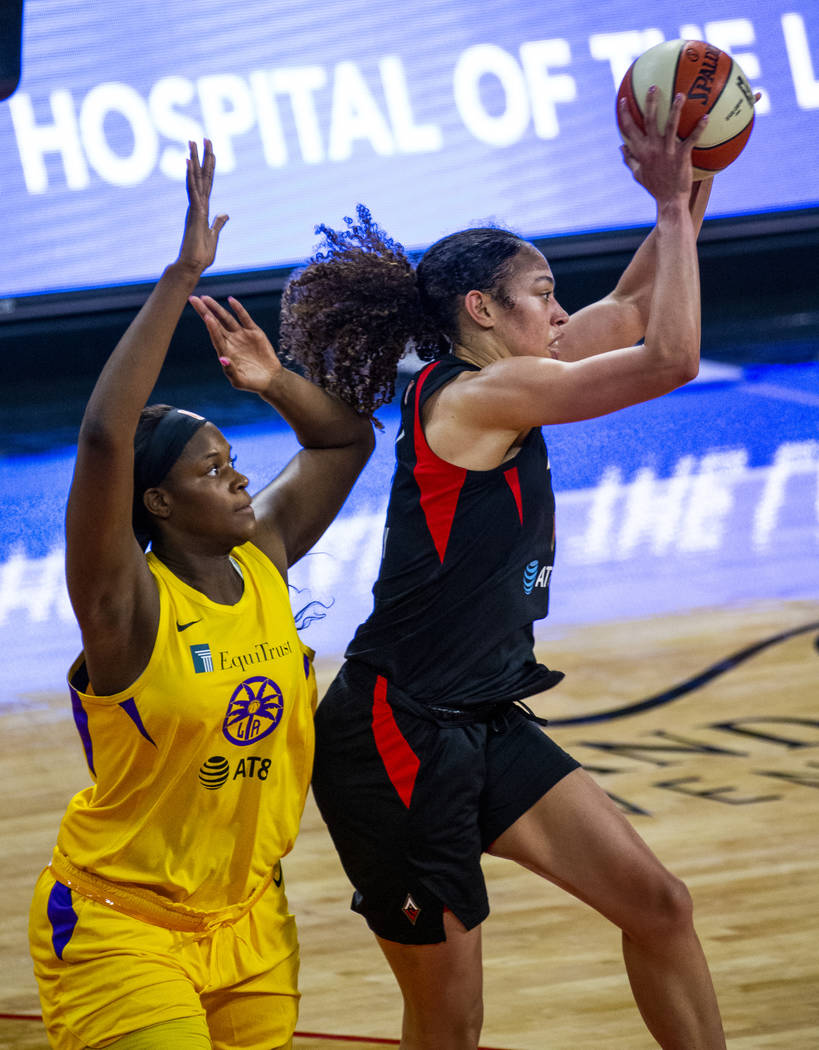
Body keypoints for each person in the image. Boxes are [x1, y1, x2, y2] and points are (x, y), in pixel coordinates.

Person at [281, 89, 729, 1048]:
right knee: (450, 1022)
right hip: (395, 733)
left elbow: (637, 304)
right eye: (543, 297)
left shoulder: (514, 374)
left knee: (657, 903)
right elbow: (673, 356)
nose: (564, 313)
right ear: (481, 310)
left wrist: (690, 177)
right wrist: (661, 209)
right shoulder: (482, 395)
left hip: (475, 713)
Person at [28, 139, 374, 1050]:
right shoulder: (123, 605)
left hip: (252, 922)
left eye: (233, 463)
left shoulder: (264, 552)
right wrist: (180, 280)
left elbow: (343, 445)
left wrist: (271, 381)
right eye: (211, 469)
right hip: (121, 929)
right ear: (157, 502)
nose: (238, 480)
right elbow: (105, 436)